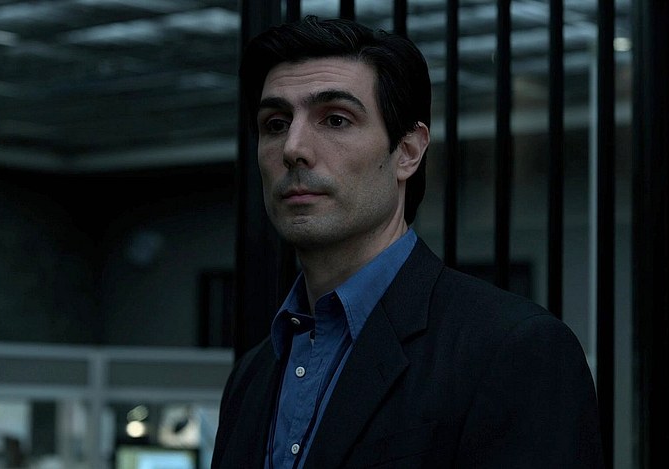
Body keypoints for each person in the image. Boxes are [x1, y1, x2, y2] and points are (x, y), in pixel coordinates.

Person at [212, 16, 603, 469]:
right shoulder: (253, 375)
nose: (293, 148)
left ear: (408, 151)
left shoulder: (512, 350)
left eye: (336, 119)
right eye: (276, 123)